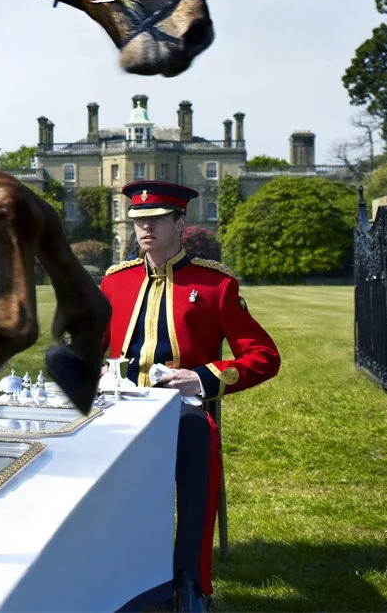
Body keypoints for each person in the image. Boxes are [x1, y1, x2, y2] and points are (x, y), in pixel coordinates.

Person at [101, 180, 280, 612]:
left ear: (181, 224)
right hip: (119, 407)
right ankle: (112, 571)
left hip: (182, 409)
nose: (146, 228)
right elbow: (91, 348)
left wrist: (201, 378)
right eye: (139, 220)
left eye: (157, 220)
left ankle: (189, 582)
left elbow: (264, 356)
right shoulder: (115, 283)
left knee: (196, 439)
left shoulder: (215, 286)